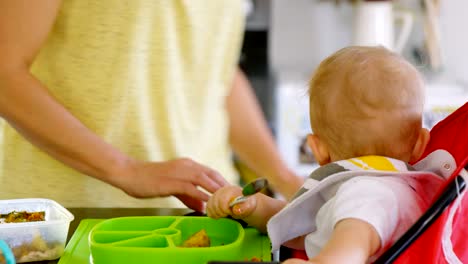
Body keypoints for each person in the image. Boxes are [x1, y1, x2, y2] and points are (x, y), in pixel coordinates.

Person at [0, 1, 303, 211]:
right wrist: (126, 169)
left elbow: (215, 75)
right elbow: (5, 73)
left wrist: (286, 179)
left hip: (210, 212)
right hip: (72, 215)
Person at [207, 46, 448, 263]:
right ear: (420, 143)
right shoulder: (393, 189)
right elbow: (312, 231)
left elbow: (347, 254)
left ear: (317, 148)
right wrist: (254, 207)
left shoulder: (366, 193)